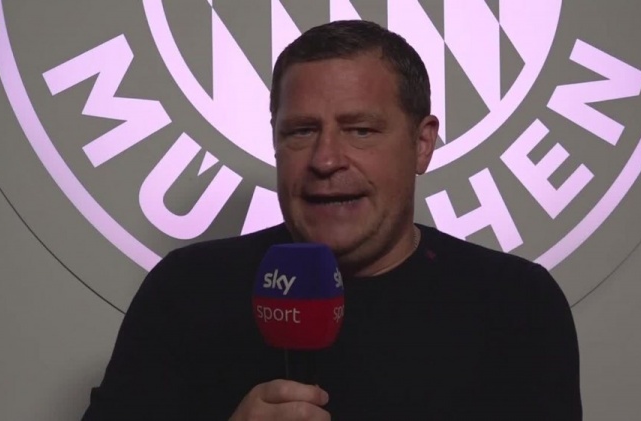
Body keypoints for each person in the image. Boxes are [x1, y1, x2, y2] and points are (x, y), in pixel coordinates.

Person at [82, 20, 582, 420]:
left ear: (422, 144)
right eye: (301, 131)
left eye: (360, 130)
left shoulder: (517, 305)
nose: (325, 160)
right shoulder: (186, 289)